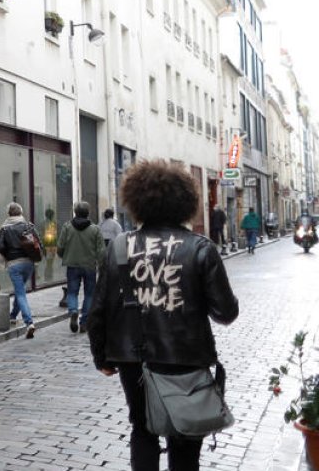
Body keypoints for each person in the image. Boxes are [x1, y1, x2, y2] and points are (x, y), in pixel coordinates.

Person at [88, 159, 239, 471]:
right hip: (187, 356)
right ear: (185, 202)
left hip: (133, 358)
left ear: (136, 202)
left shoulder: (119, 247)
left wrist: (102, 357)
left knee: (142, 428)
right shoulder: (201, 248)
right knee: (185, 434)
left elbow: (98, 309)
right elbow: (226, 313)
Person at [58, 202, 105, 334]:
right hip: (89, 265)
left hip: (72, 264)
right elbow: (101, 251)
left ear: (75, 212)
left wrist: (64, 255)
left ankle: (73, 311)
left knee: (72, 292)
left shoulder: (67, 227)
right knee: (90, 294)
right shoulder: (95, 229)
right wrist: (101, 265)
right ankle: (84, 322)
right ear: (88, 213)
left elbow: (60, 246)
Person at [0, 202, 38, 338]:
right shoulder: (28, 226)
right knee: (21, 290)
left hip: (14, 264)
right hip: (29, 263)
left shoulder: (5, 228)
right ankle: (13, 315)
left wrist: (9, 254)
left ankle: (29, 322)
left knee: (20, 293)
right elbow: (38, 243)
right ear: (21, 212)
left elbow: (0, 247)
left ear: (9, 213)